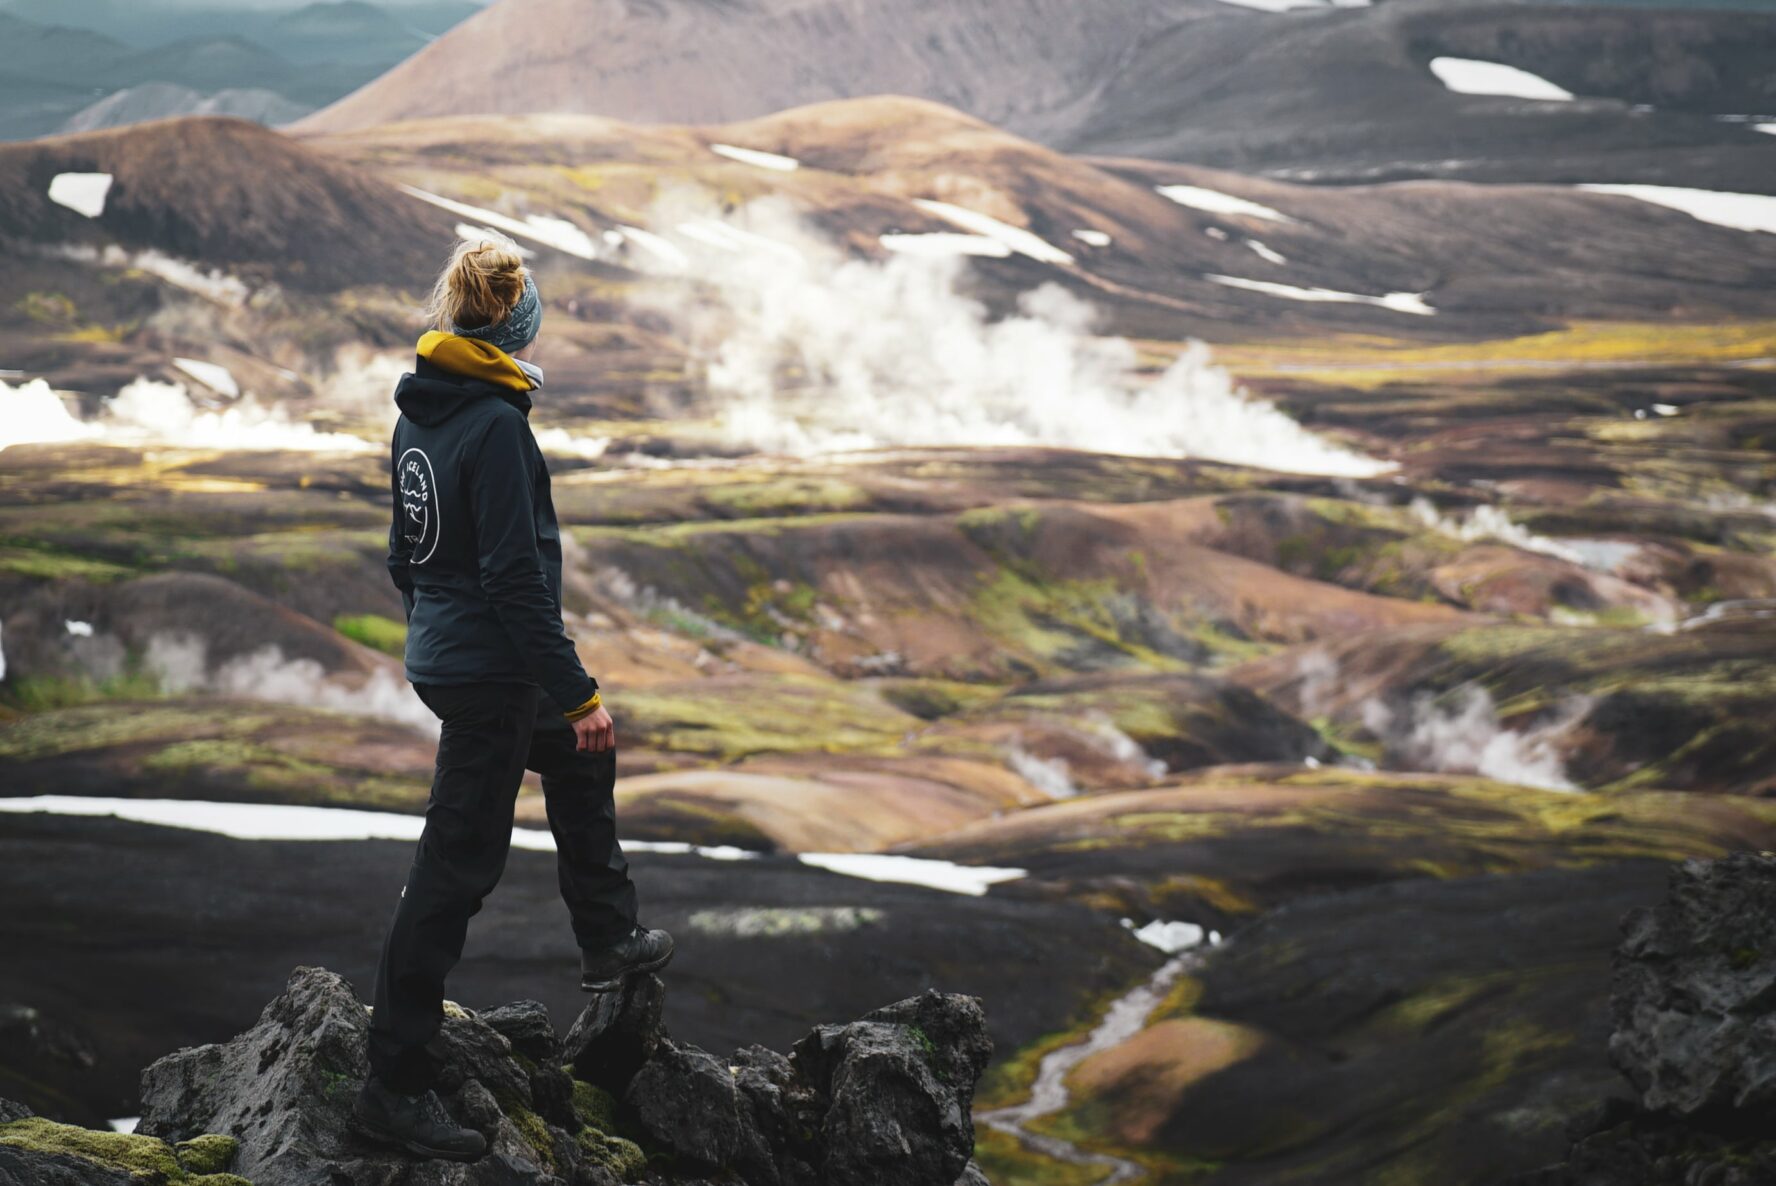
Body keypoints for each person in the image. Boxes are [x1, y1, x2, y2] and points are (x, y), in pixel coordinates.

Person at [353, 236, 673, 1161]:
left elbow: (402, 552)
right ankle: (393, 1084)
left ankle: (609, 939)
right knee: (455, 869)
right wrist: (577, 693)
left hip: (459, 657)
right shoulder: (494, 426)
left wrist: (436, 633)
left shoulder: (426, 409)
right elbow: (514, 580)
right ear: (518, 324)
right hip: (492, 671)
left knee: (585, 755)